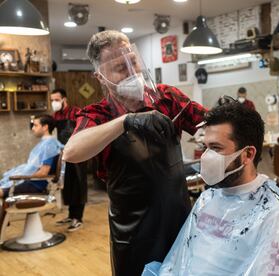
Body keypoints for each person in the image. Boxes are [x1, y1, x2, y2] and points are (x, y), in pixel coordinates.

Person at [63, 30, 206, 276]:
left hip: (179, 221)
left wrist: (226, 118)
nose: (132, 72)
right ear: (100, 77)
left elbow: (207, 123)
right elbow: (72, 151)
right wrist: (126, 121)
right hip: (133, 232)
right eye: (120, 67)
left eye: (133, 62)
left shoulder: (166, 98)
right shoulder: (98, 115)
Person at [144, 102, 279, 275]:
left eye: (216, 148)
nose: (206, 157)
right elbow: (178, 261)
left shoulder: (278, 219)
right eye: (206, 147)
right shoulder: (206, 200)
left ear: (248, 154)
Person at [50, 88, 88, 232]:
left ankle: (78, 218)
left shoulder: (76, 112)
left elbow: (83, 130)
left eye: (56, 100)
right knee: (68, 185)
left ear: (64, 99)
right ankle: (71, 215)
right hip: (65, 153)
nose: (54, 103)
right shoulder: (56, 115)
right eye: (52, 100)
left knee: (78, 184)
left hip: (79, 152)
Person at [0, 115, 63, 198]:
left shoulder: (49, 145)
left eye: (35, 125)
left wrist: (23, 176)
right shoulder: (47, 143)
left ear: (45, 127)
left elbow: (43, 172)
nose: (33, 128)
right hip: (31, 182)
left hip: (34, 184)